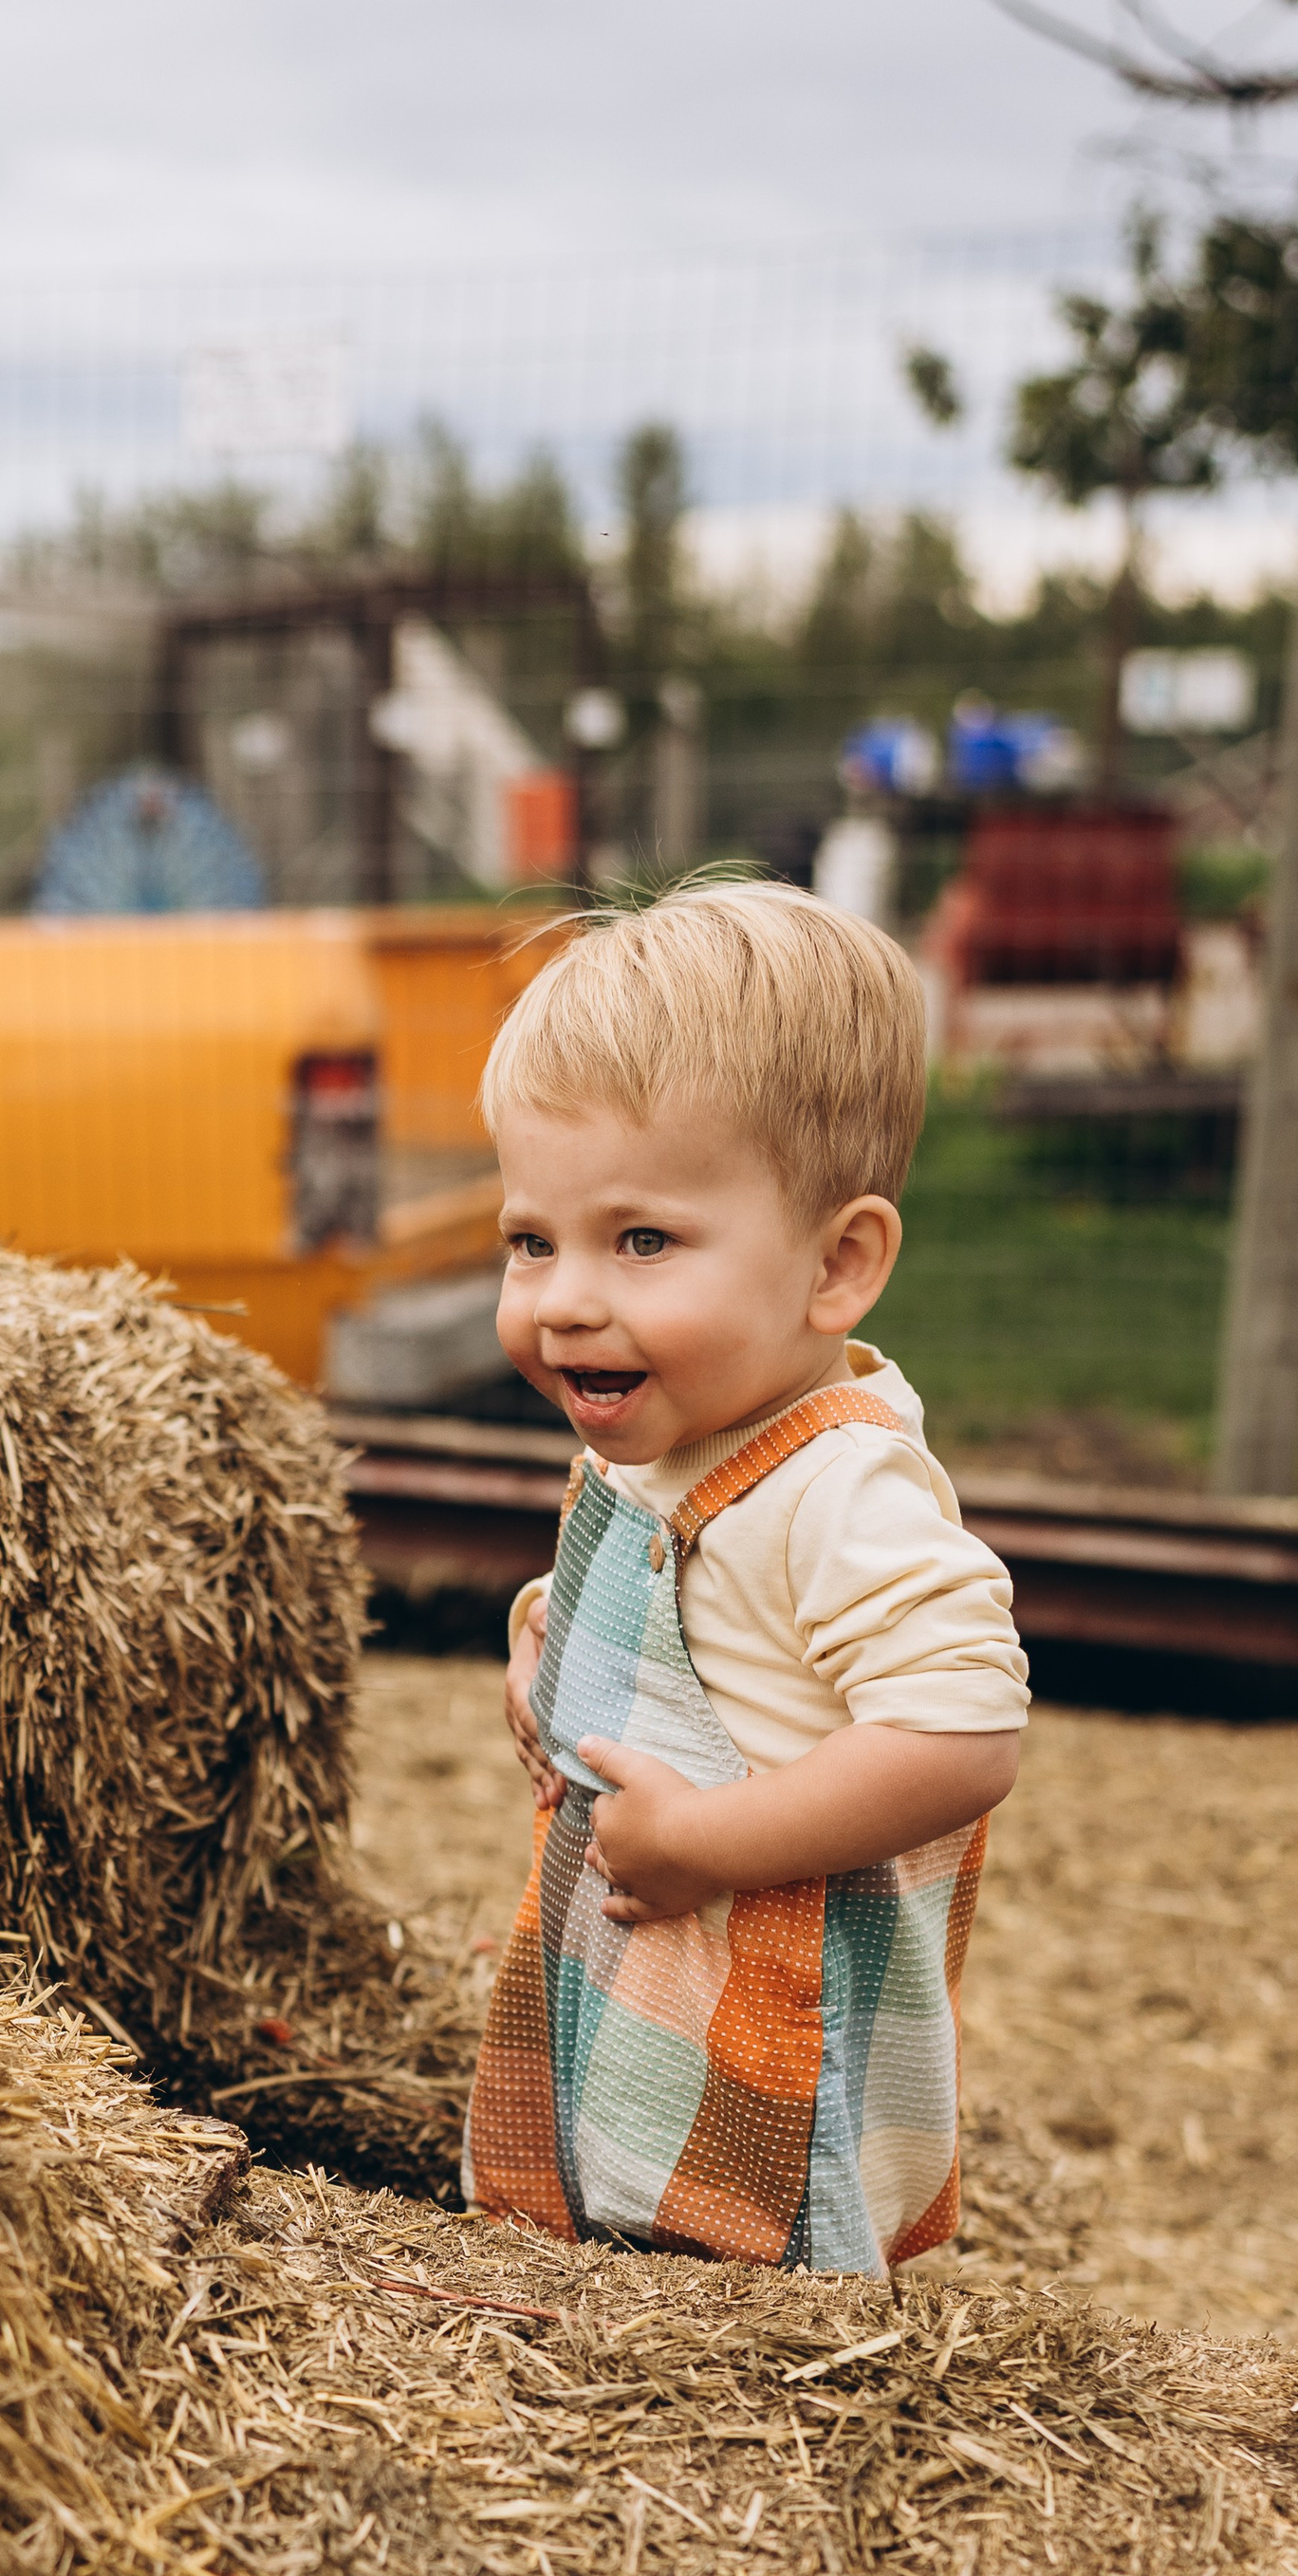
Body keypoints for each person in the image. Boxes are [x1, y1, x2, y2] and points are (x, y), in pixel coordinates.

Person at [468, 880, 1027, 2275]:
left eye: (641, 1240)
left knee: (729, 2294)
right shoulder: (658, 1426)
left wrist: (711, 1843)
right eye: (530, 1240)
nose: (564, 1299)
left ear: (838, 1265)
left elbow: (964, 1734)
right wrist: (551, 1653)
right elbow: (665, 1601)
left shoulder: (837, 1492)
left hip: (767, 2030)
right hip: (647, 1976)